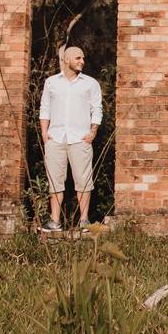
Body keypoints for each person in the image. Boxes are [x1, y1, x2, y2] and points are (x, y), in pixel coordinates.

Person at [38, 45, 103, 232]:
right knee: (55, 181)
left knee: (83, 180)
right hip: (55, 138)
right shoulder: (51, 82)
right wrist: (44, 133)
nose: (82, 61)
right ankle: (54, 221)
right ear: (66, 60)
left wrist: (93, 131)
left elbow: (97, 108)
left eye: (83, 58)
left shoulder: (90, 83)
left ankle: (84, 221)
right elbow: (45, 108)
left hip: (80, 139)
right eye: (78, 58)